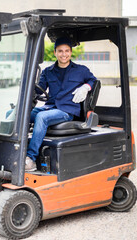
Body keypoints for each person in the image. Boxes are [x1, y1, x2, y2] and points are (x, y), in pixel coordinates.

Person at [25, 37, 97, 171]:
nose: (64, 54)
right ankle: (17, 151)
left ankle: (30, 158)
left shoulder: (81, 70)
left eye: (67, 51)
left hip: (67, 111)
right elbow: (38, 88)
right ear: (55, 53)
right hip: (50, 107)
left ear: (70, 52)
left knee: (42, 117)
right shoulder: (48, 71)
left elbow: (93, 80)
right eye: (60, 51)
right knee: (18, 115)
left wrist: (86, 87)